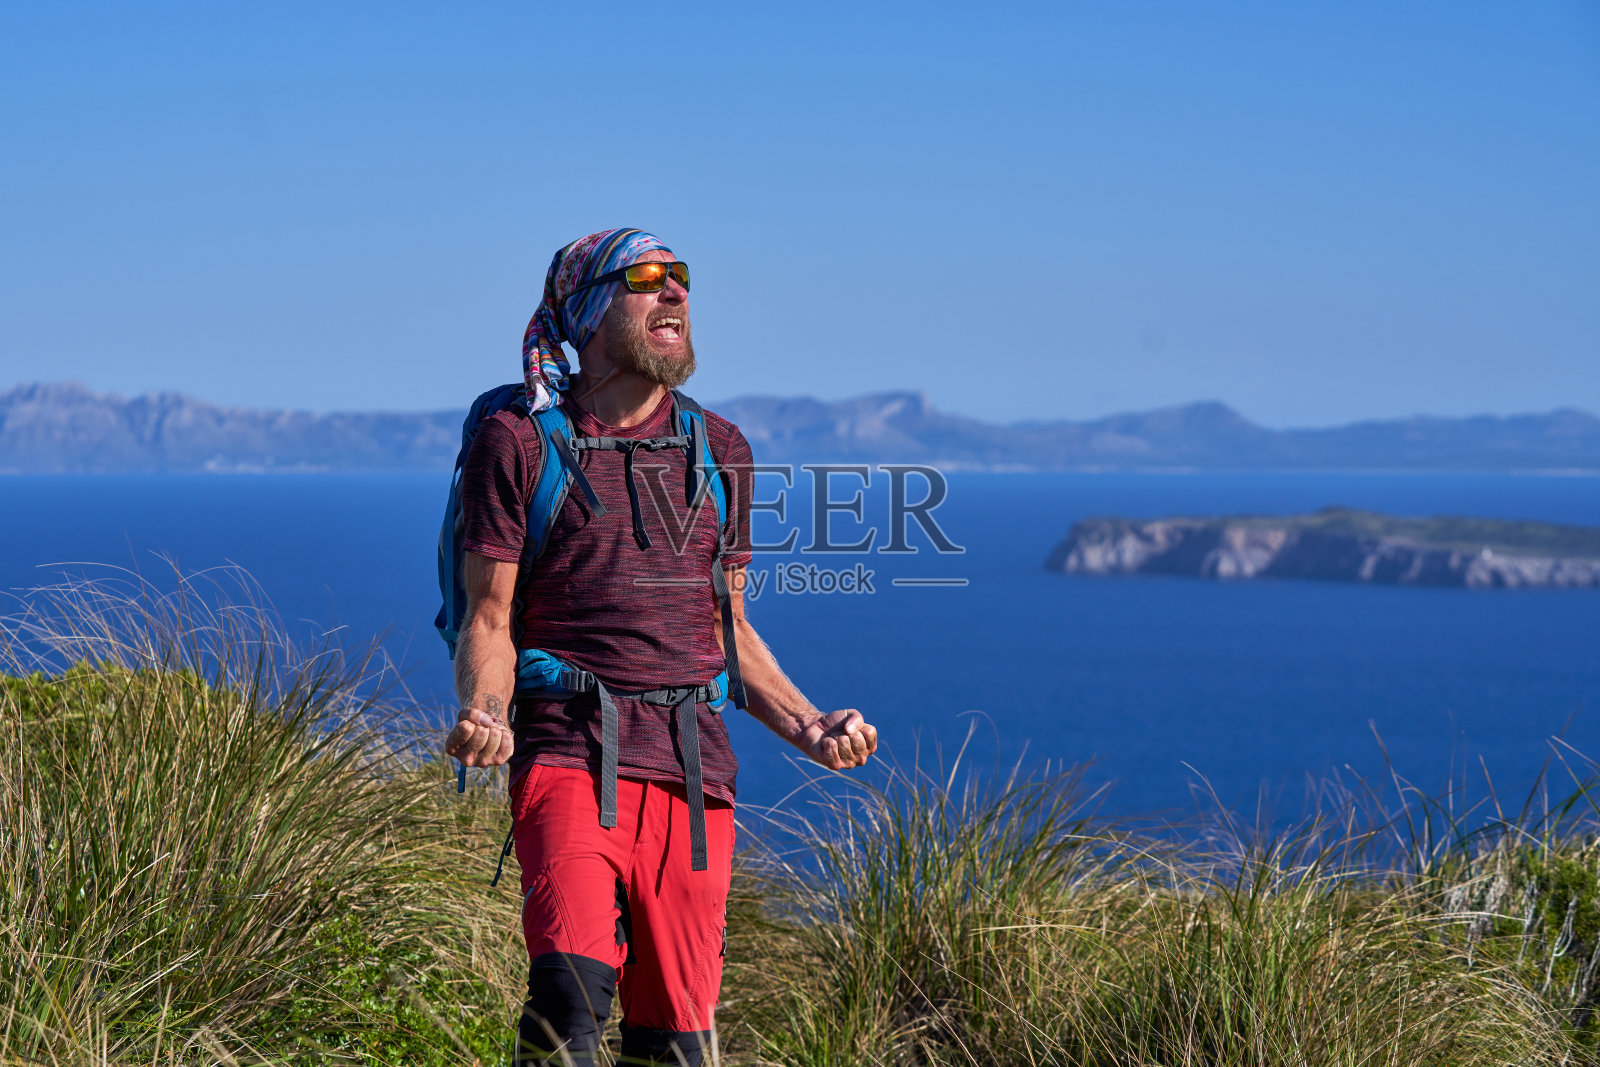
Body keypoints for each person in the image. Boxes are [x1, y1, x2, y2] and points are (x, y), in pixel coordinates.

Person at [443, 228, 878, 1065]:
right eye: (646, 278)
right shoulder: (522, 442)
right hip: (569, 754)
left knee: (675, 1041)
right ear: (591, 310)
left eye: (680, 276)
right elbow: (488, 619)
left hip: (694, 775)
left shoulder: (722, 452)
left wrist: (810, 725)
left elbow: (728, 632)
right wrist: (487, 713)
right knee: (566, 1004)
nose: (674, 291)